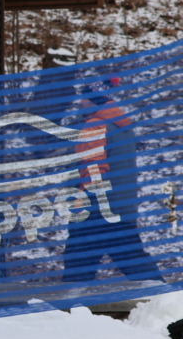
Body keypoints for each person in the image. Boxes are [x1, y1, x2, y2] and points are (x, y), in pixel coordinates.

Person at [60, 78, 163, 285]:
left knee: (78, 264)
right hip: (121, 207)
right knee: (134, 261)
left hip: (98, 210)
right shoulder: (121, 125)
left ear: (96, 100)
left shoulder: (95, 126)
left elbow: (94, 169)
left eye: (85, 98)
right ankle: (165, 301)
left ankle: (68, 309)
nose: (81, 103)